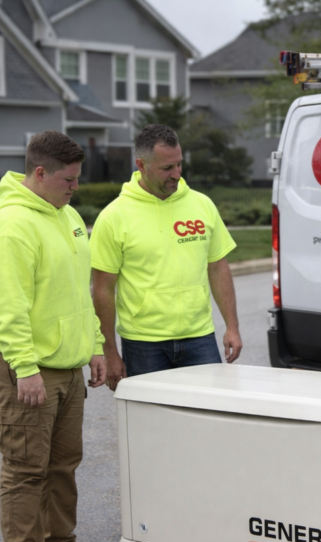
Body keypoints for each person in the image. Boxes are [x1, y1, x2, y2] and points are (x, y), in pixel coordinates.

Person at [0, 131, 111, 542]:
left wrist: (95, 345)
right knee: (25, 468)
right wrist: (25, 366)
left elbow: (79, 293)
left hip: (68, 364)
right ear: (40, 173)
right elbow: (5, 305)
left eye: (77, 179)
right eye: (68, 179)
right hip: (27, 366)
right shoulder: (12, 225)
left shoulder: (68, 216)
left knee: (62, 465)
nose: (75, 187)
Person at [91, 124, 242, 389]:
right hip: (143, 343)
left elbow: (218, 267)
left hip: (200, 338)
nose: (176, 174)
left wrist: (232, 326)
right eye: (166, 169)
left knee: (206, 422)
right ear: (141, 164)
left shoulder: (202, 205)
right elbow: (103, 289)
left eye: (179, 165)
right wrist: (110, 353)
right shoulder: (114, 216)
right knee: (151, 426)